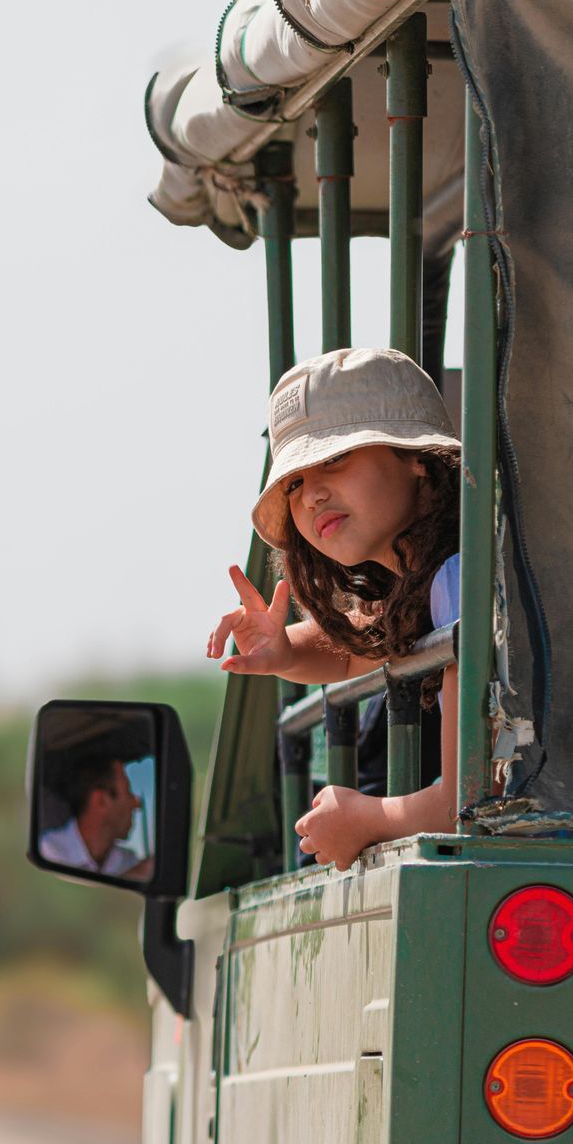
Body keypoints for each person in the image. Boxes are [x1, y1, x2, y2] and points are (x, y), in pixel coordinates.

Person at [205, 347, 461, 872]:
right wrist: (280, 648)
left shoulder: (460, 578)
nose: (313, 494)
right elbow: (350, 655)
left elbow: (466, 801)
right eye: (294, 483)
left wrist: (368, 816)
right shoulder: (423, 583)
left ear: (417, 458)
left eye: (336, 459)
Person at [40, 753, 153, 881]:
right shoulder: (48, 853)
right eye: (128, 792)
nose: (137, 803)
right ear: (101, 800)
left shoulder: (128, 860)